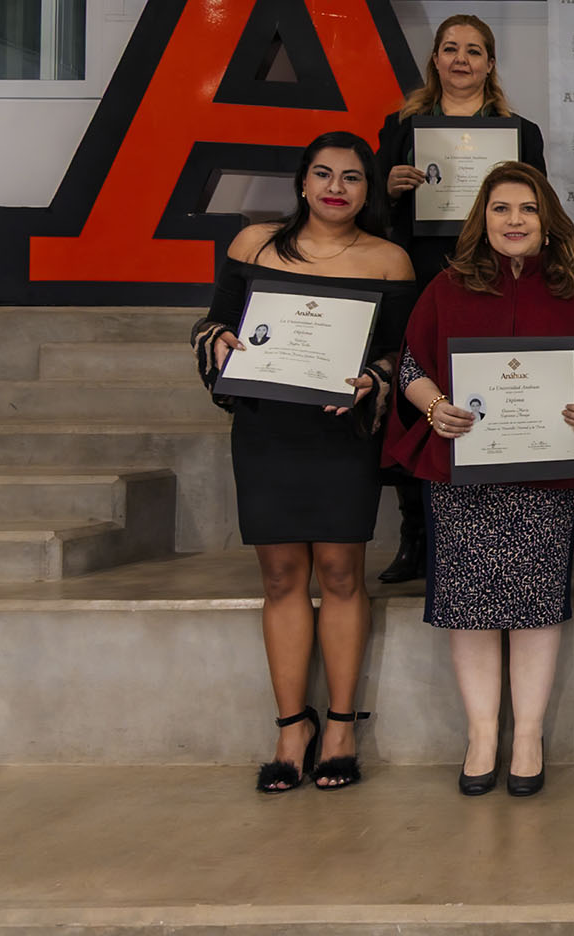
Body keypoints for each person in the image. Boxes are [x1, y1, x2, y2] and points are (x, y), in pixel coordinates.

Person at [384, 161, 574, 798]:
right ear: (480, 220)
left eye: (527, 210)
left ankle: (529, 735)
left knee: (536, 604)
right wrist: (435, 408)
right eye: (501, 210)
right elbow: (411, 366)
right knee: (470, 608)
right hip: (463, 471)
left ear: (547, 222)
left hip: (544, 474)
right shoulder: (447, 286)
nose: (514, 221)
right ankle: (482, 733)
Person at [191, 132, 416, 793]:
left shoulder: (388, 260)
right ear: (302, 182)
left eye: (351, 177)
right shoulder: (252, 245)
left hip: (341, 434)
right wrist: (221, 344)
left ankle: (341, 724)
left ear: (369, 190)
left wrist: (373, 380)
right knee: (283, 575)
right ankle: (293, 725)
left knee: (343, 573)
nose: (336, 187)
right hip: (267, 430)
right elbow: (212, 327)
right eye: (323, 173)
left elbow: (403, 356)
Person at [374, 15, 549, 586]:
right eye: (450, 49)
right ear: (436, 59)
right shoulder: (401, 127)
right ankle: (415, 534)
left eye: (474, 51)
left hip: (496, 280)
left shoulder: (518, 132)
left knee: (490, 393)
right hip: (422, 275)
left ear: (491, 63)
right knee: (419, 394)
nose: (461, 60)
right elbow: (373, 219)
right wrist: (389, 188)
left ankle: (485, 513)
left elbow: (537, 212)